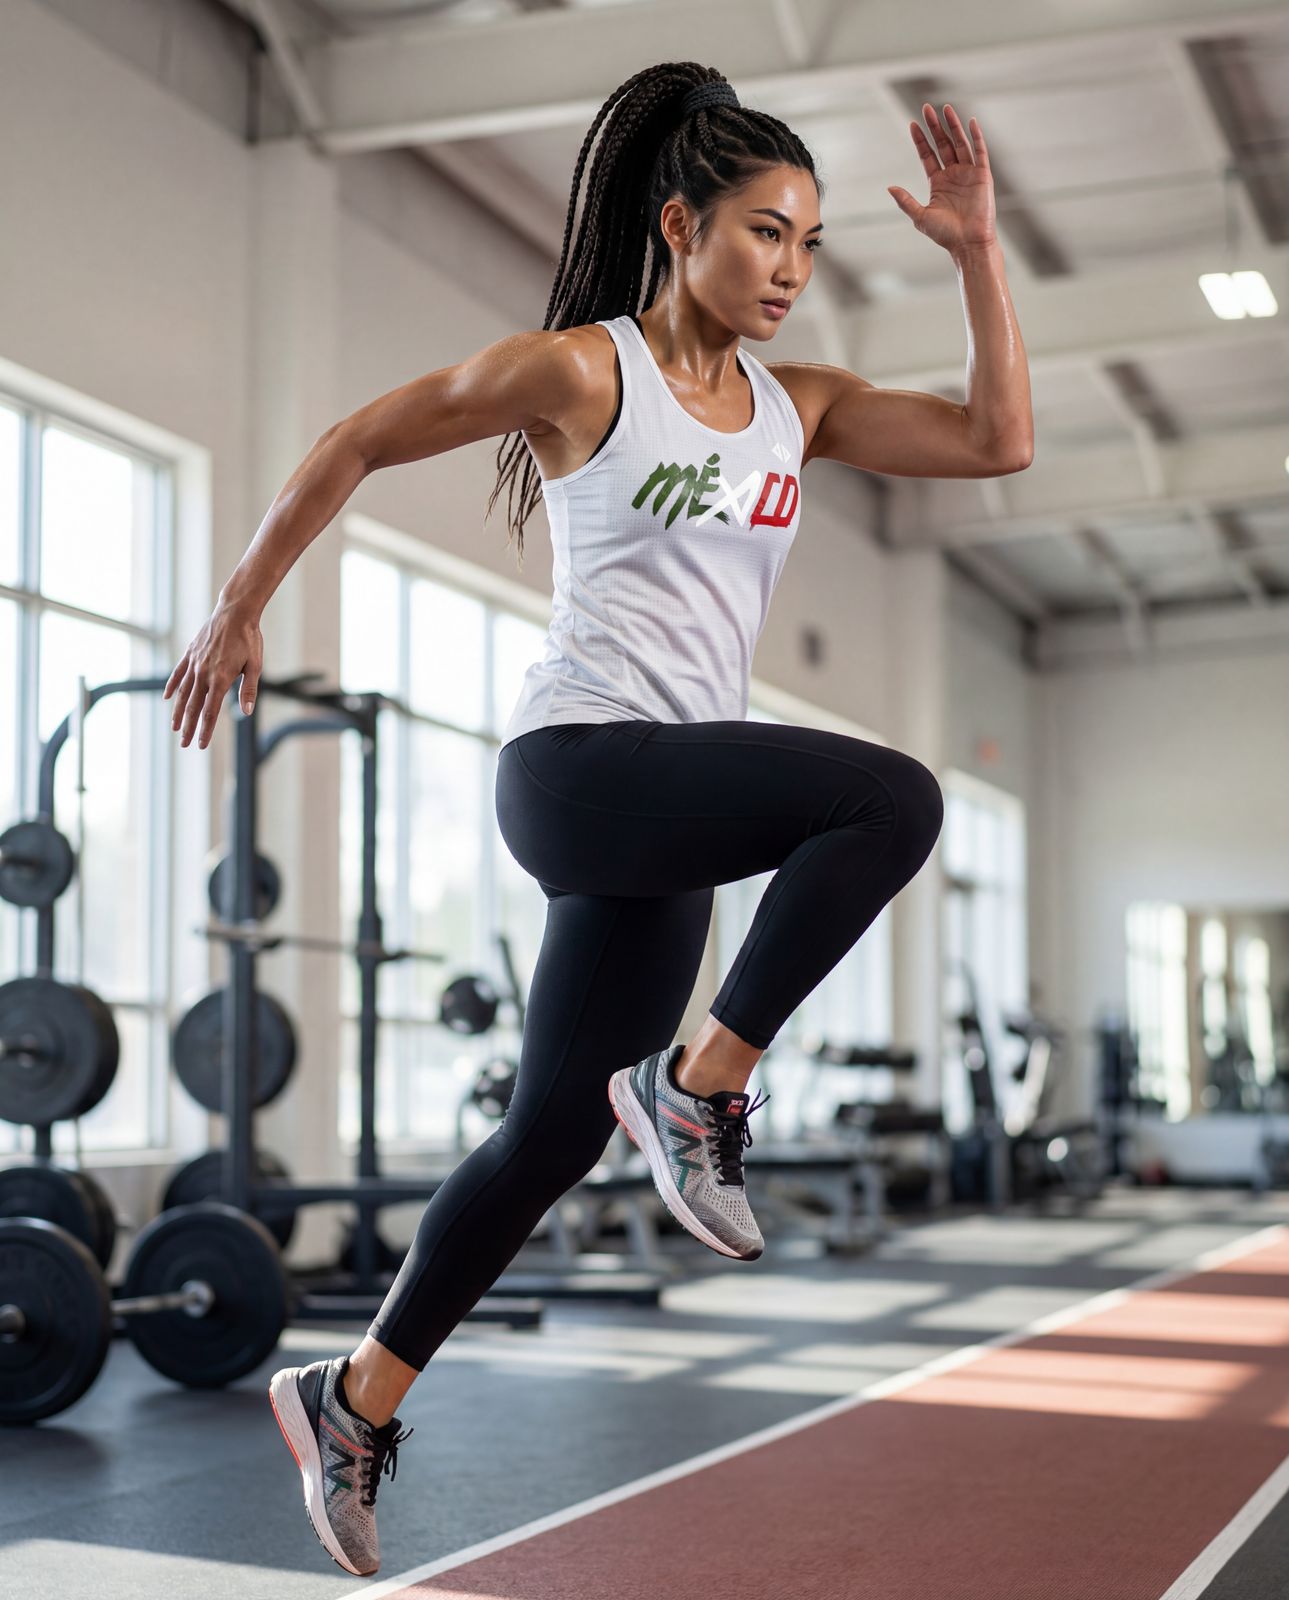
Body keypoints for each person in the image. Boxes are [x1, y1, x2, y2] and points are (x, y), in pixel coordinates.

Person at [165, 61, 1030, 1579]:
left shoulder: (798, 407)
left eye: (811, 243)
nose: (789, 269)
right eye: (765, 232)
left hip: (665, 807)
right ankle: (700, 1091)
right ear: (681, 224)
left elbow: (993, 442)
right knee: (886, 792)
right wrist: (237, 602)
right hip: (576, 768)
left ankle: (353, 1399)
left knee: (554, 1129)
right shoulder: (582, 373)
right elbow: (363, 434)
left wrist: (972, 252)